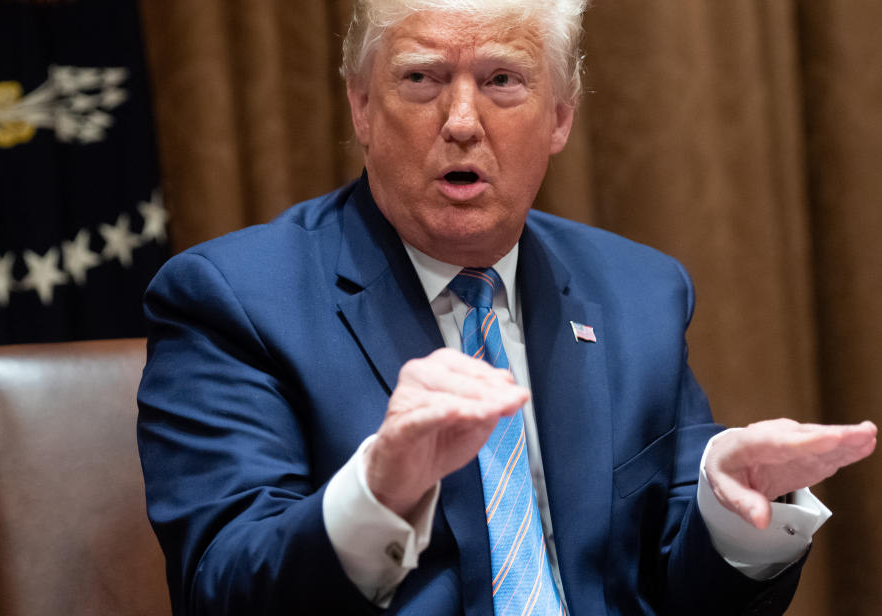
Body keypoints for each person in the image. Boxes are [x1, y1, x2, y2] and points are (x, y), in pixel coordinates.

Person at [136, 1, 877, 614]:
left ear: (559, 117)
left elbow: (675, 588)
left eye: (501, 80)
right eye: (421, 78)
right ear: (361, 106)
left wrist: (735, 512)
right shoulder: (232, 299)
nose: (461, 120)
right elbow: (220, 588)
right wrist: (377, 492)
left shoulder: (637, 291)